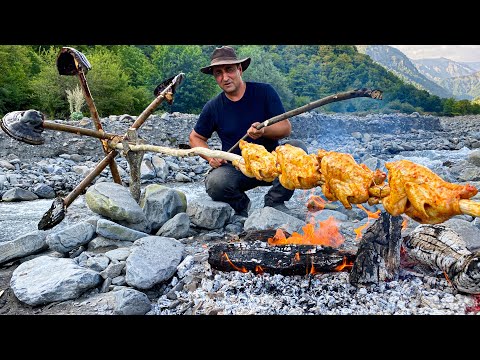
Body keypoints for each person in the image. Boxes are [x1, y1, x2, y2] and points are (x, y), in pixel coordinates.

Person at [189, 45, 308, 218]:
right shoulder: (213, 107)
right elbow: (195, 138)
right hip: (238, 167)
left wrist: (263, 130)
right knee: (215, 182)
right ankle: (245, 208)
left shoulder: (265, 92)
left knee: (298, 148)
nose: (225, 77)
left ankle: (275, 201)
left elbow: (285, 128)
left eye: (229, 70)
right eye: (218, 73)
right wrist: (210, 156)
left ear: (239, 69)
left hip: (271, 163)